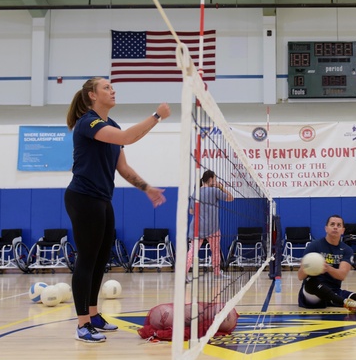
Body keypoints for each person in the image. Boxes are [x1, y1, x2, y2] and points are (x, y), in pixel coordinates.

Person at [65, 77, 171, 343]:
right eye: (106, 88)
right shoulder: (88, 122)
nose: (112, 91)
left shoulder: (111, 125)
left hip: (102, 198)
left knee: (101, 259)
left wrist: (146, 187)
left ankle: (93, 315)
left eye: (112, 87)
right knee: (87, 259)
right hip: (83, 198)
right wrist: (157, 116)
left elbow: (122, 168)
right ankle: (82, 324)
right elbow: (127, 138)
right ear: (91, 95)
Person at [297, 215, 356, 315]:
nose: (335, 227)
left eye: (339, 225)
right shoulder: (314, 246)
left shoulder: (347, 250)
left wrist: (327, 268)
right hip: (312, 293)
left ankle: (333, 299)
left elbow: (341, 275)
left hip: (333, 290)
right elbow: (300, 276)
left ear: (343, 230)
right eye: (332, 224)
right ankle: (344, 303)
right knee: (310, 281)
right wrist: (307, 266)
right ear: (326, 228)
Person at [185, 170, 233, 276]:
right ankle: (217, 274)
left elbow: (191, 211)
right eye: (215, 179)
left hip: (197, 226)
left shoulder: (195, 193)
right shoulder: (214, 191)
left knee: (192, 251)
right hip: (212, 227)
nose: (216, 181)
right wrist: (221, 187)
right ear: (211, 179)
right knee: (215, 251)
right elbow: (230, 198)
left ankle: (183, 274)